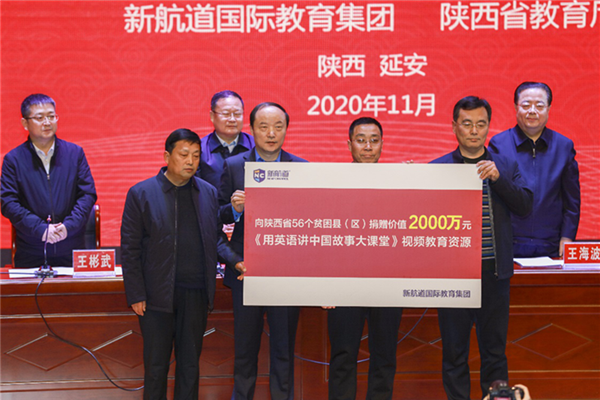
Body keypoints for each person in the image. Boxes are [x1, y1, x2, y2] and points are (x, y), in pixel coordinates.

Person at [431, 96, 533, 400]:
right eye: (467, 124)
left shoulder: (505, 165)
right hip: (453, 276)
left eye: (480, 124)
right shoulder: (437, 169)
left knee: (494, 351)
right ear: (454, 127)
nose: (474, 131)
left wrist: (498, 179)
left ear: (489, 126)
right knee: (454, 352)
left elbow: (525, 205)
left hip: (494, 272)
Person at [121, 128, 224, 400]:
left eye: (196, 156)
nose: (191, 161)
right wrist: (136, 293)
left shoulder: (208, 193)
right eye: (184, 154)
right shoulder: (141, 193)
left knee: (190, 366)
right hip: (156, 296)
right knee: (156, 367)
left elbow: (215, 239)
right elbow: (130, 249)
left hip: (196, 293)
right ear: (167, 157)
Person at [218, 102, 307, 400]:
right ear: (252, 129)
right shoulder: (234, 166)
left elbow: (311, 221)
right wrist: (234, 209)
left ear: (286, 129)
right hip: (246, 271)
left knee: (283, 350)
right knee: (245, 350)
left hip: (286, 274)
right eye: (264, 127)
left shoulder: (302, 168)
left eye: (278, 127)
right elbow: (214, 217)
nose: (271, 134)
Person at [327, 117, 403, 400]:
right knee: (343, 355)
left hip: (388, 283)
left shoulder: (399, 183)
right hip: (344, 283)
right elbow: (320, 236)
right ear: (349, 145)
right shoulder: (330, 184)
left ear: (383, 144)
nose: (368, 147)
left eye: (374, 140)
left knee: (384, 355)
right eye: (361, 140)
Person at [0, 93, 97, 268]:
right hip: (31, 251)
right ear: (25, 123)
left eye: (51, 116)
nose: (47, 122)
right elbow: (8, 203)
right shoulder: (13, 160)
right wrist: (41, 229)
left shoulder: (74, 154)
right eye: (39, 118)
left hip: (72, 249)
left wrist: (67, 227)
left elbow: (87, 195)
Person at [489, 82, 580, 257]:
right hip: (508, 243)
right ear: (516, 107)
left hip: (551, 245)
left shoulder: (563, 146)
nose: (532, 111)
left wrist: (567, 237)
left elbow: (571, 201)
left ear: (548, 109)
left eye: (539, 106)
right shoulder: (499, 144)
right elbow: (494, 197)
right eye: (526, 105)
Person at [199, 90, 254, 189]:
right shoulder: (200, 150)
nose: (232, 119)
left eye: (237, 114)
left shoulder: (256, 146)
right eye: (226, 114)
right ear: (212, 116)